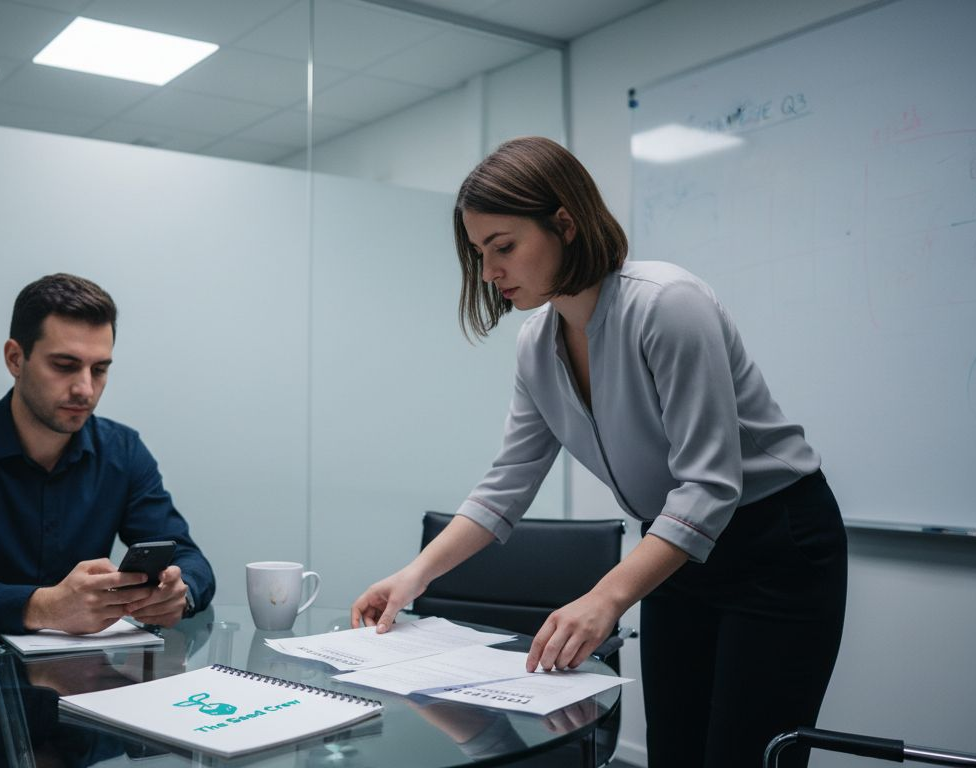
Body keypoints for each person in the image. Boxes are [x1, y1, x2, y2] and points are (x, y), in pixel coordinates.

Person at [351, 137, 847, 768]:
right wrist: (413, 576)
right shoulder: (538, 345)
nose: (489, 271)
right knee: (675, 752)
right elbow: (507, 483)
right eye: (479, 253)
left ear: (565, 224)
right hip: (673, 550)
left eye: (503, 246)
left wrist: (606, 597)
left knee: (745, 755)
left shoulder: (667, 304)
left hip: (774, 542)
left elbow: (709, 486)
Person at [0, 273, 215, 636]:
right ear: (15, 359)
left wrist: (179, 593)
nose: (85, 389)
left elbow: (191, 560)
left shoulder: (123, 451)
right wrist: (42, 606)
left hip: (86, 668)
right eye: (64, 366)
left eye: (99, 369)